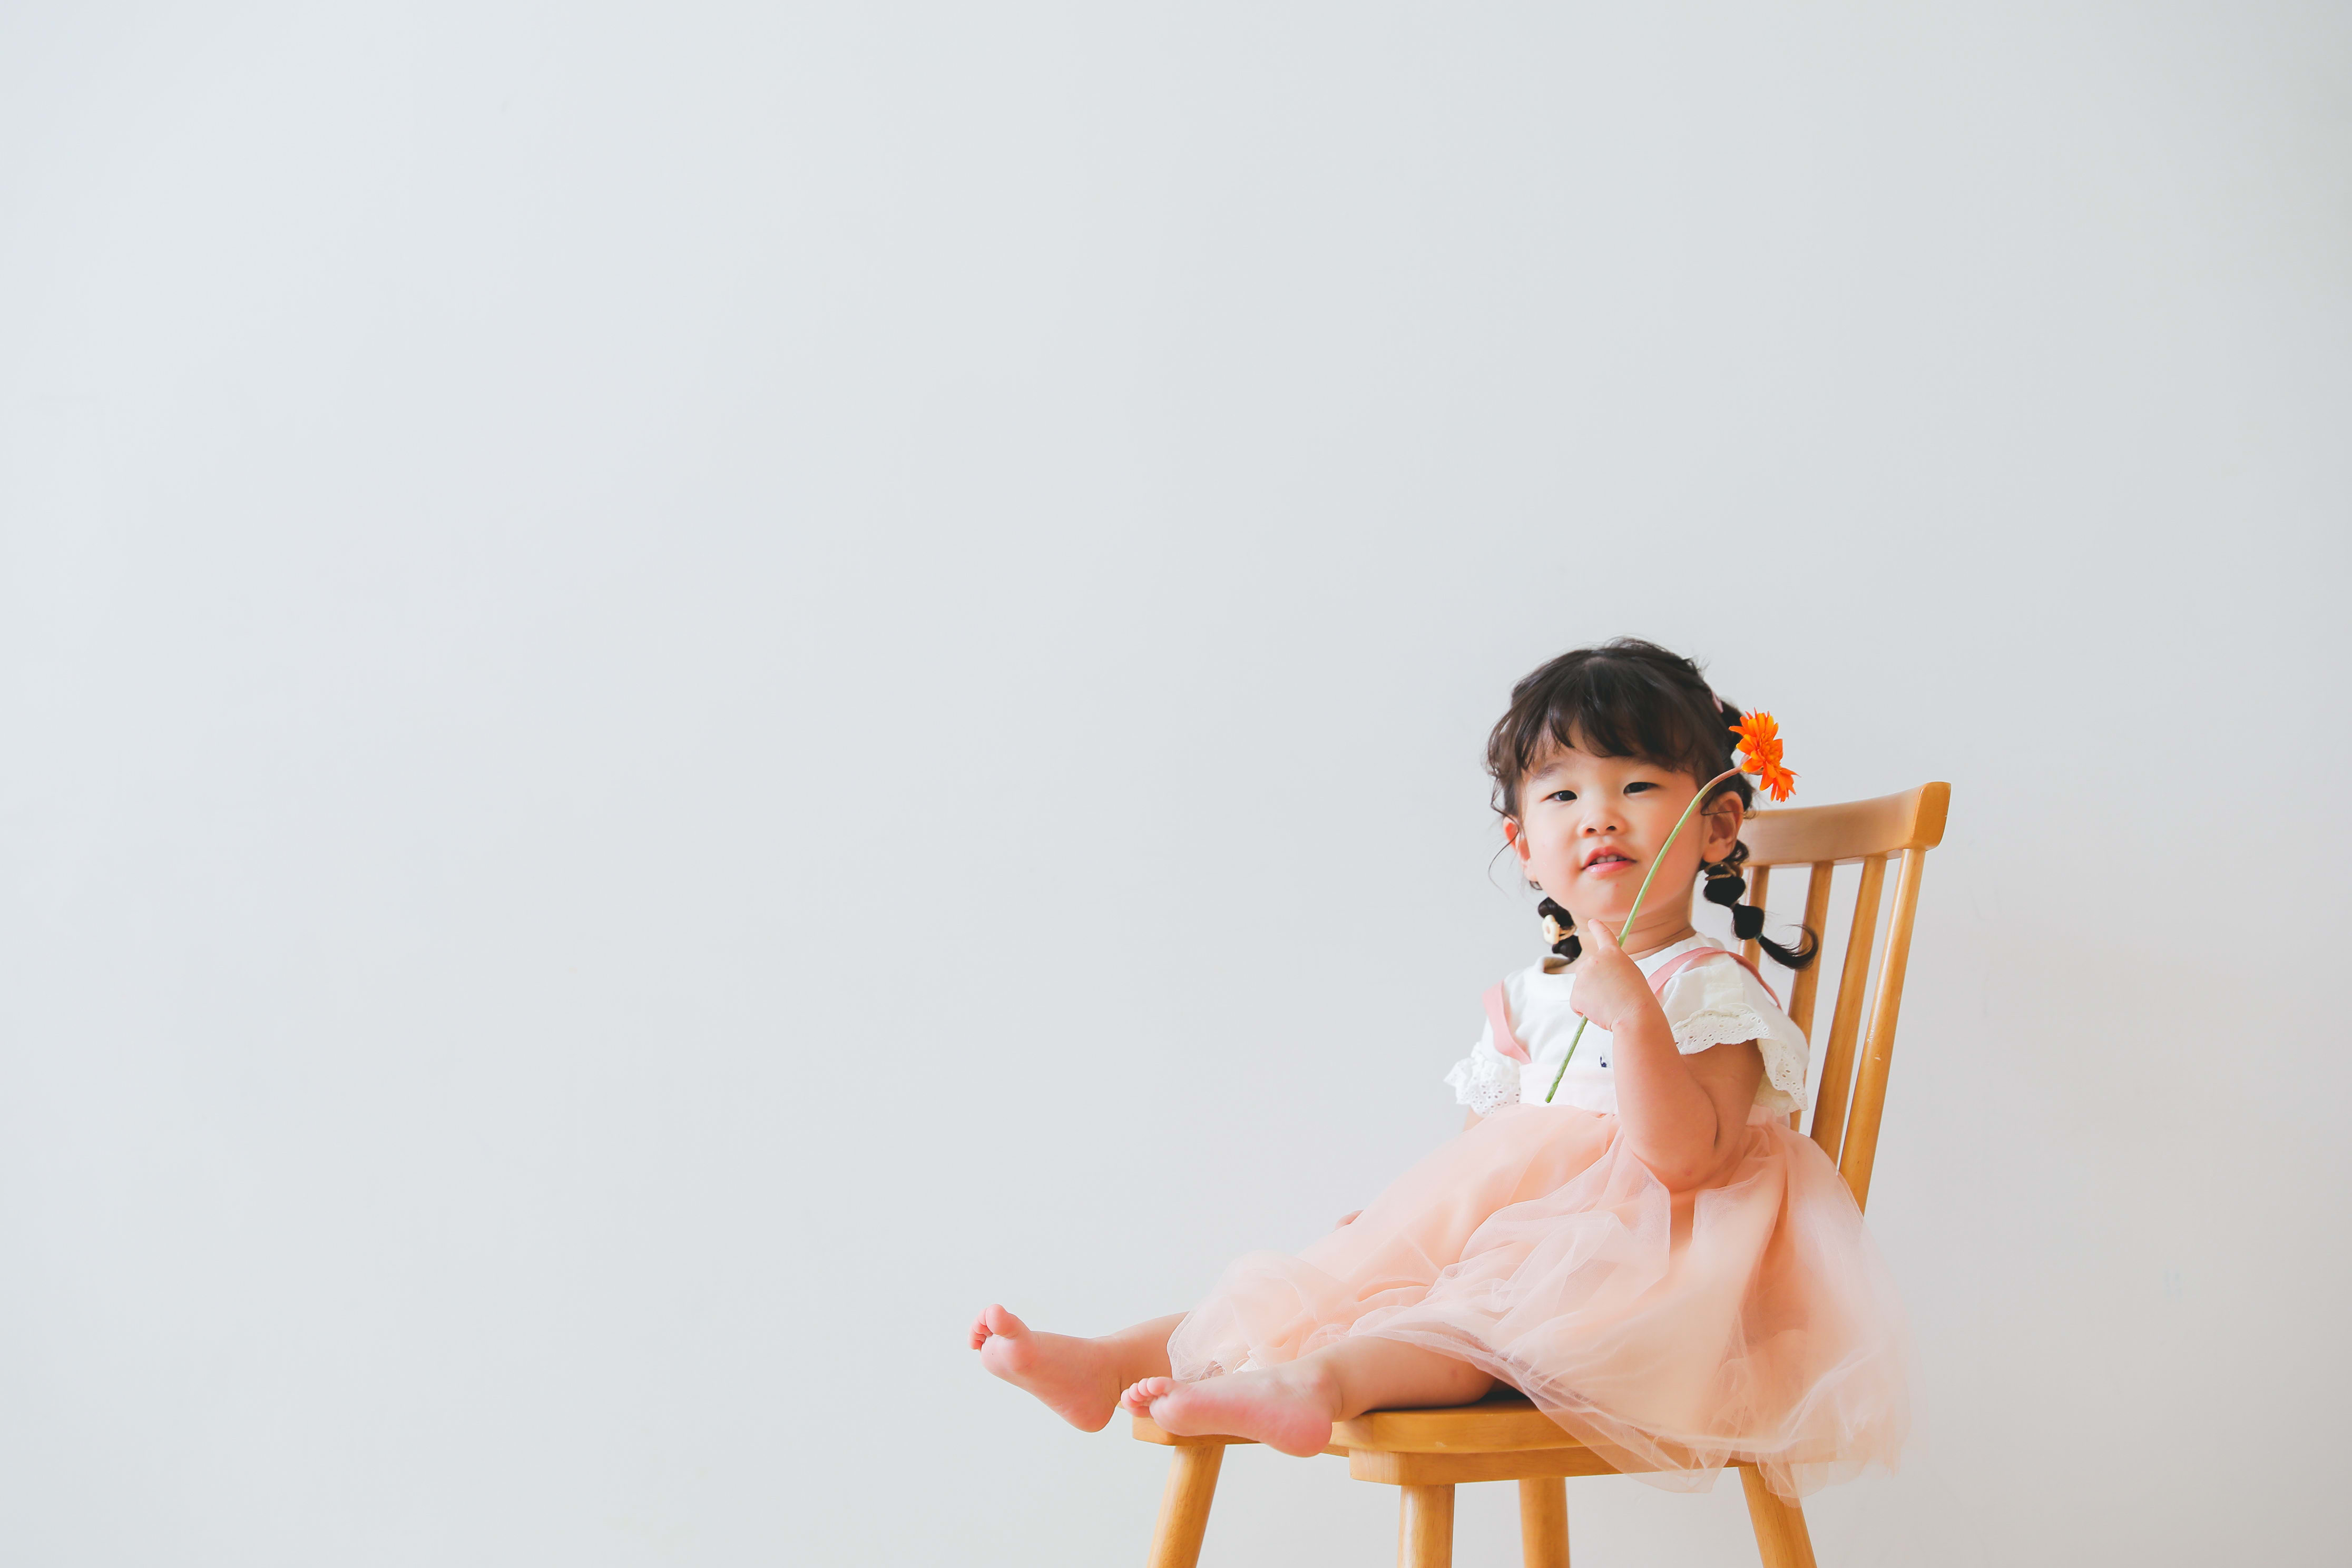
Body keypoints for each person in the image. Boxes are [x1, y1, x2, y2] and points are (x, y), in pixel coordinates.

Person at [969, 638, 1908, 1497]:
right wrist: (1406, 1225)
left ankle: (1313, 1384)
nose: (1601, 818)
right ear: (1525, 847)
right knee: (1352, 1277)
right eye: (1564, 794)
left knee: (1480, 1322)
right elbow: (1488, 1153)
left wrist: (1636, 1022)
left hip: (1657, 1268)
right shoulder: (1530, 994)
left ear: (1715, 826)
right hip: (1531, 1239)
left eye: (1638, 785)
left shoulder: (1709, 988)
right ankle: (1115, 1361)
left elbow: (1690, 1163)